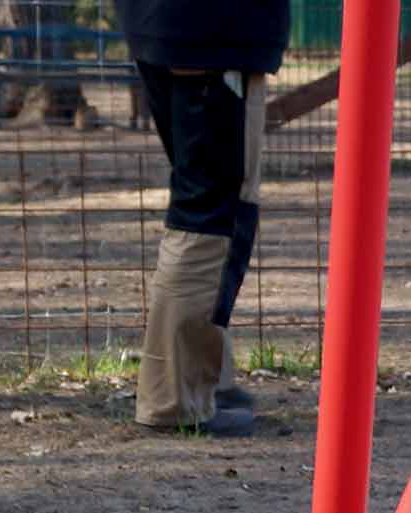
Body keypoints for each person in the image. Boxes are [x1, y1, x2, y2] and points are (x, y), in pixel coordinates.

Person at [116, 0, 289, 436]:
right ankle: (176, 400)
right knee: (212, 214)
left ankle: (207, 380)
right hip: (215, 34)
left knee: (202, 205)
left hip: (164, 27)